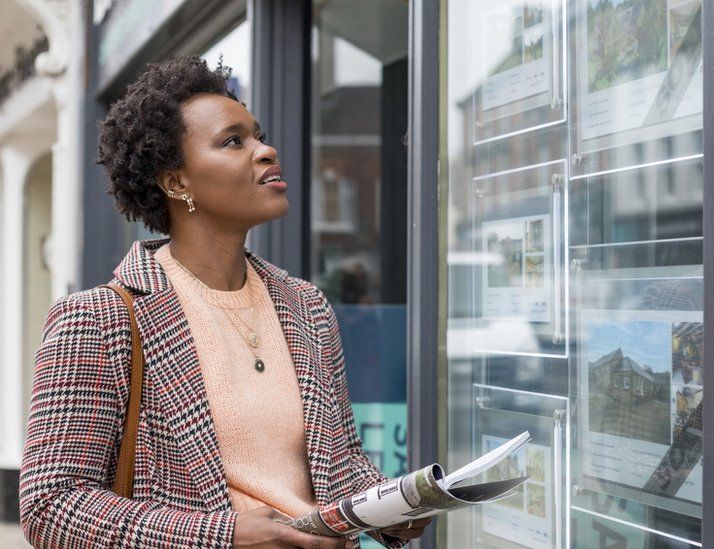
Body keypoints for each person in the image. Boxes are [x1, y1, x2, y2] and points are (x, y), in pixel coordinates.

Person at [18, 56, 430, 549]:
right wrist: (223, 535)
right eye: (233, 141)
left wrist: (390, 503)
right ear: (176, 183)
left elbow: (337, 460)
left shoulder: (307, 307)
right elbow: (52, 505)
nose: (266, 149)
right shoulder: (97, 319)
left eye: (257, 134)